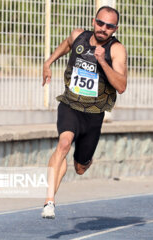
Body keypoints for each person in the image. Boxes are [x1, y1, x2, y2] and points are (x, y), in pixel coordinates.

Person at [41, 6, 127, 219]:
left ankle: (83, 159)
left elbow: (121, 85)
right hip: (70, 105)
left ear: (115, 29)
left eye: (109, 26)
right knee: (63, 144)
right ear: (93, 21)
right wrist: (48, 62)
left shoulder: (116, 50)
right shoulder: (78, 35)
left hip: (94, 113)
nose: (103, 29)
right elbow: (66, 45)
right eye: (100, 23)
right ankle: (49, 202)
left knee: (80, 168)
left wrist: (101, 62)